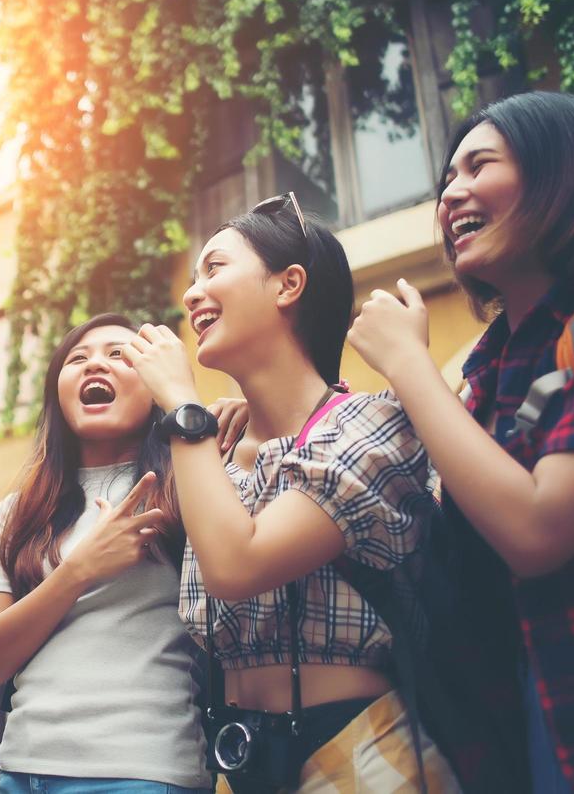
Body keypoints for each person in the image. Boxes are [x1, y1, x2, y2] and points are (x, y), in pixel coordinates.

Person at [347, 91, 574, 792]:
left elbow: (539, 529)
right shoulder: (484, 369)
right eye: (444, 179)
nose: (451, 194)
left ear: (563, 171)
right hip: (530, 735)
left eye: (478, 166)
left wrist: (410, 366)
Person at [124, 196, 461, 792]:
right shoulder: (216, 453)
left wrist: (182, 404)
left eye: (215, 268)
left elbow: (238, 562)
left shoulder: (369, 427)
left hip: (358, 746)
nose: (192, 294)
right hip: (236, 756)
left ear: (289, 285)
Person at [0, 314, 222, 793]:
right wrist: (81, 569)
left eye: (120, 355)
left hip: (141, 770)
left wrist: (208, 423)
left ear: (154, 385)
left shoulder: (191, 478)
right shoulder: (21, 511)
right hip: (21, 771)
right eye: (78, 358)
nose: (94, 366)